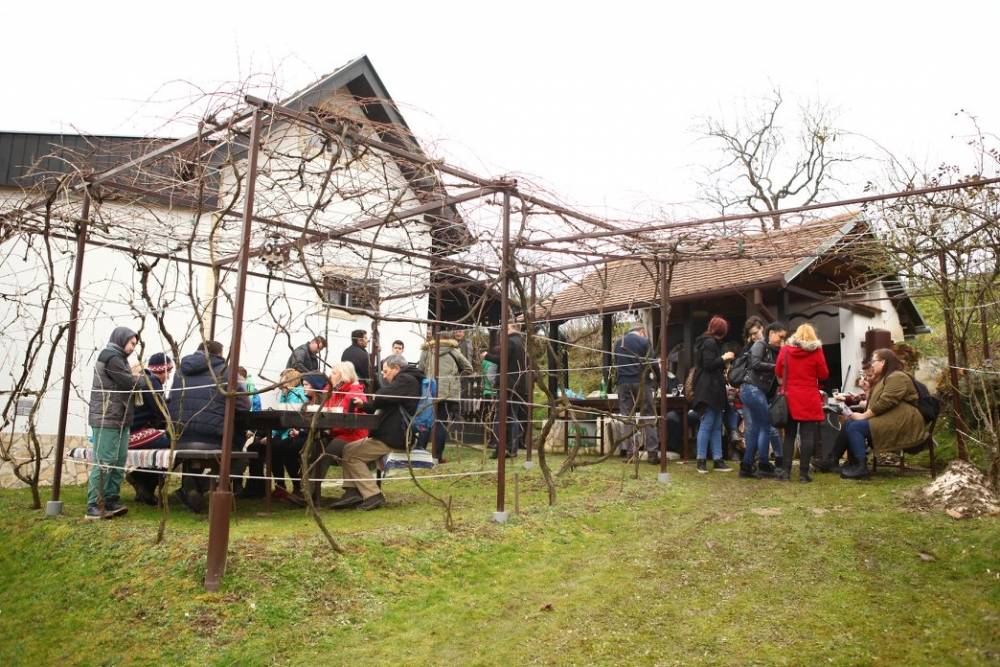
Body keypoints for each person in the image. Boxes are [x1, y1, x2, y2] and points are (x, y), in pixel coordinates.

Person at [330, 354, 423, 510]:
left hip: (394, 437)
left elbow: (382, 396)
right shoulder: (408, 381)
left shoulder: (406, 379)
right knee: (348, 449)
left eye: (386, 371)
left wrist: (373, 397)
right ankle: (352, 491)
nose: (384, 376)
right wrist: (364, 405)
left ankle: (373, 495)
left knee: (352, 455)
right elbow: (385, 401)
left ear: (396, 368)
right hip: (394, 435)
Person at [167, 340, 250, 511]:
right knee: (241, 458)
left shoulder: (180, 371)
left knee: (204, 446)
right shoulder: (226, 372)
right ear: (219, 354)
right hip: (214, 437)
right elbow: (244, 406)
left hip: (180, 436)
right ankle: (200, 484)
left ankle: (190, 486)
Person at [840, 348, 928, 480]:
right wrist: (867, 390)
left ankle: (860, 468)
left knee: (855, 427)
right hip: (893, 418)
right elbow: (875, 402)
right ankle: (841, 462)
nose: (872, 364)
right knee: (849, 423)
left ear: (883, 362)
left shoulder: (897, 376)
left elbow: (886, 402)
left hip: (905, 422)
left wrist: (863, 416)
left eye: (874, 361)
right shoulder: (885, 378)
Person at [85, 327, 140, 519]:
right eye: (131, 343)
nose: (133, 348)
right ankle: (93, 505)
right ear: (121, 339)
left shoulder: (120, 359)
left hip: (120, 418)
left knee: (118, 460)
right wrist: (145, 379)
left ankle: (111, 500)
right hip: (106, 417)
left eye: (135, 344)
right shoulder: (111, 357)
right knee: (105, 461)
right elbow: (128, 382)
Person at [307, 362, 369, 504]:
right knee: (315, 447)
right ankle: (308, 490)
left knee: (326, 453)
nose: (330, 375)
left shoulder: (354, 392)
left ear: (343, 376)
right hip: (336, 432)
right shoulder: (332, 391)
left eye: (334, 373)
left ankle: (308, 493)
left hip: (353, 435)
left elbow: (351, 419)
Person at [774, 323, 829, 482]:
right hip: (809, 398)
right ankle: (804, 474)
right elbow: (823, 374)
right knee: (807, 436)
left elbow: (778, 371)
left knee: (789, 435)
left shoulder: (785, 350)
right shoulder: (817, 351)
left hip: (790, 398)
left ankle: (786, 472)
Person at [739, 320, 787, 478]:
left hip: (753, 391)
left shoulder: (775, 350)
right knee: (765, 426)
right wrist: (776, 367)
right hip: (752, 389)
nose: (782, 340)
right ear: (771, 333)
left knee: (755, 429)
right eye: (780, 336)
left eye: (784, 337)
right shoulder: (760, 345)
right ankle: (763, 464)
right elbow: (755, 363)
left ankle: (747, 466)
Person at [417, 331, 474, 463]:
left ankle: (420, 452)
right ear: (449, 338)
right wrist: (454, 376)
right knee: (441, 423)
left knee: (426, 421)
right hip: (448, 392)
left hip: (430, 390)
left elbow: (420, 370)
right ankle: (437, 456)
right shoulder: (454, 351)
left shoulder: (426, 350)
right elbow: (468, 368)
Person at [125, 352, 174, 505]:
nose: (168, 376)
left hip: (129, 432)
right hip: (135, 433)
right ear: (163, 370)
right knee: (171, 444)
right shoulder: (152, 382)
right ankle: (142, 479)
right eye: (169, 372)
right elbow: (161, 412)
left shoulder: (143, 379)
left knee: (164, 443)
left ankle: (143, 483)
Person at [691, 316, 735, 473]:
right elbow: (708, 364)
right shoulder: (709, 343)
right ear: (722, 331)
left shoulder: (707, 342)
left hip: (713, 389)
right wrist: (724, 358)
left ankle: (718, 459)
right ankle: (701, 460)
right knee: (708, 424)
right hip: (708, 390)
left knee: (716, 425)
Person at [613, 324, 661, 464]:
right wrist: (659, 378)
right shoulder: (644, 342)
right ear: (641, 332)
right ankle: (652, 454)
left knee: (627, 417)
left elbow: (616, 363)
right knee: (649, 415)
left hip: (623, 383)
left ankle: (630, 454)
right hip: (641, 382)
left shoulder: (618, 343)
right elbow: (653, 363)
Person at [484, 323, 529, 459]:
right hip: (519, 385)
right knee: (512, 417)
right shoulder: (523, 343)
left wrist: (486, 356)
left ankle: (500, 449)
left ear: (511, 328)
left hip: (507, 385)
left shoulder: (510, 342)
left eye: (505, 329)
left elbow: (502, 360)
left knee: (501, 417)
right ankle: (512, 449)